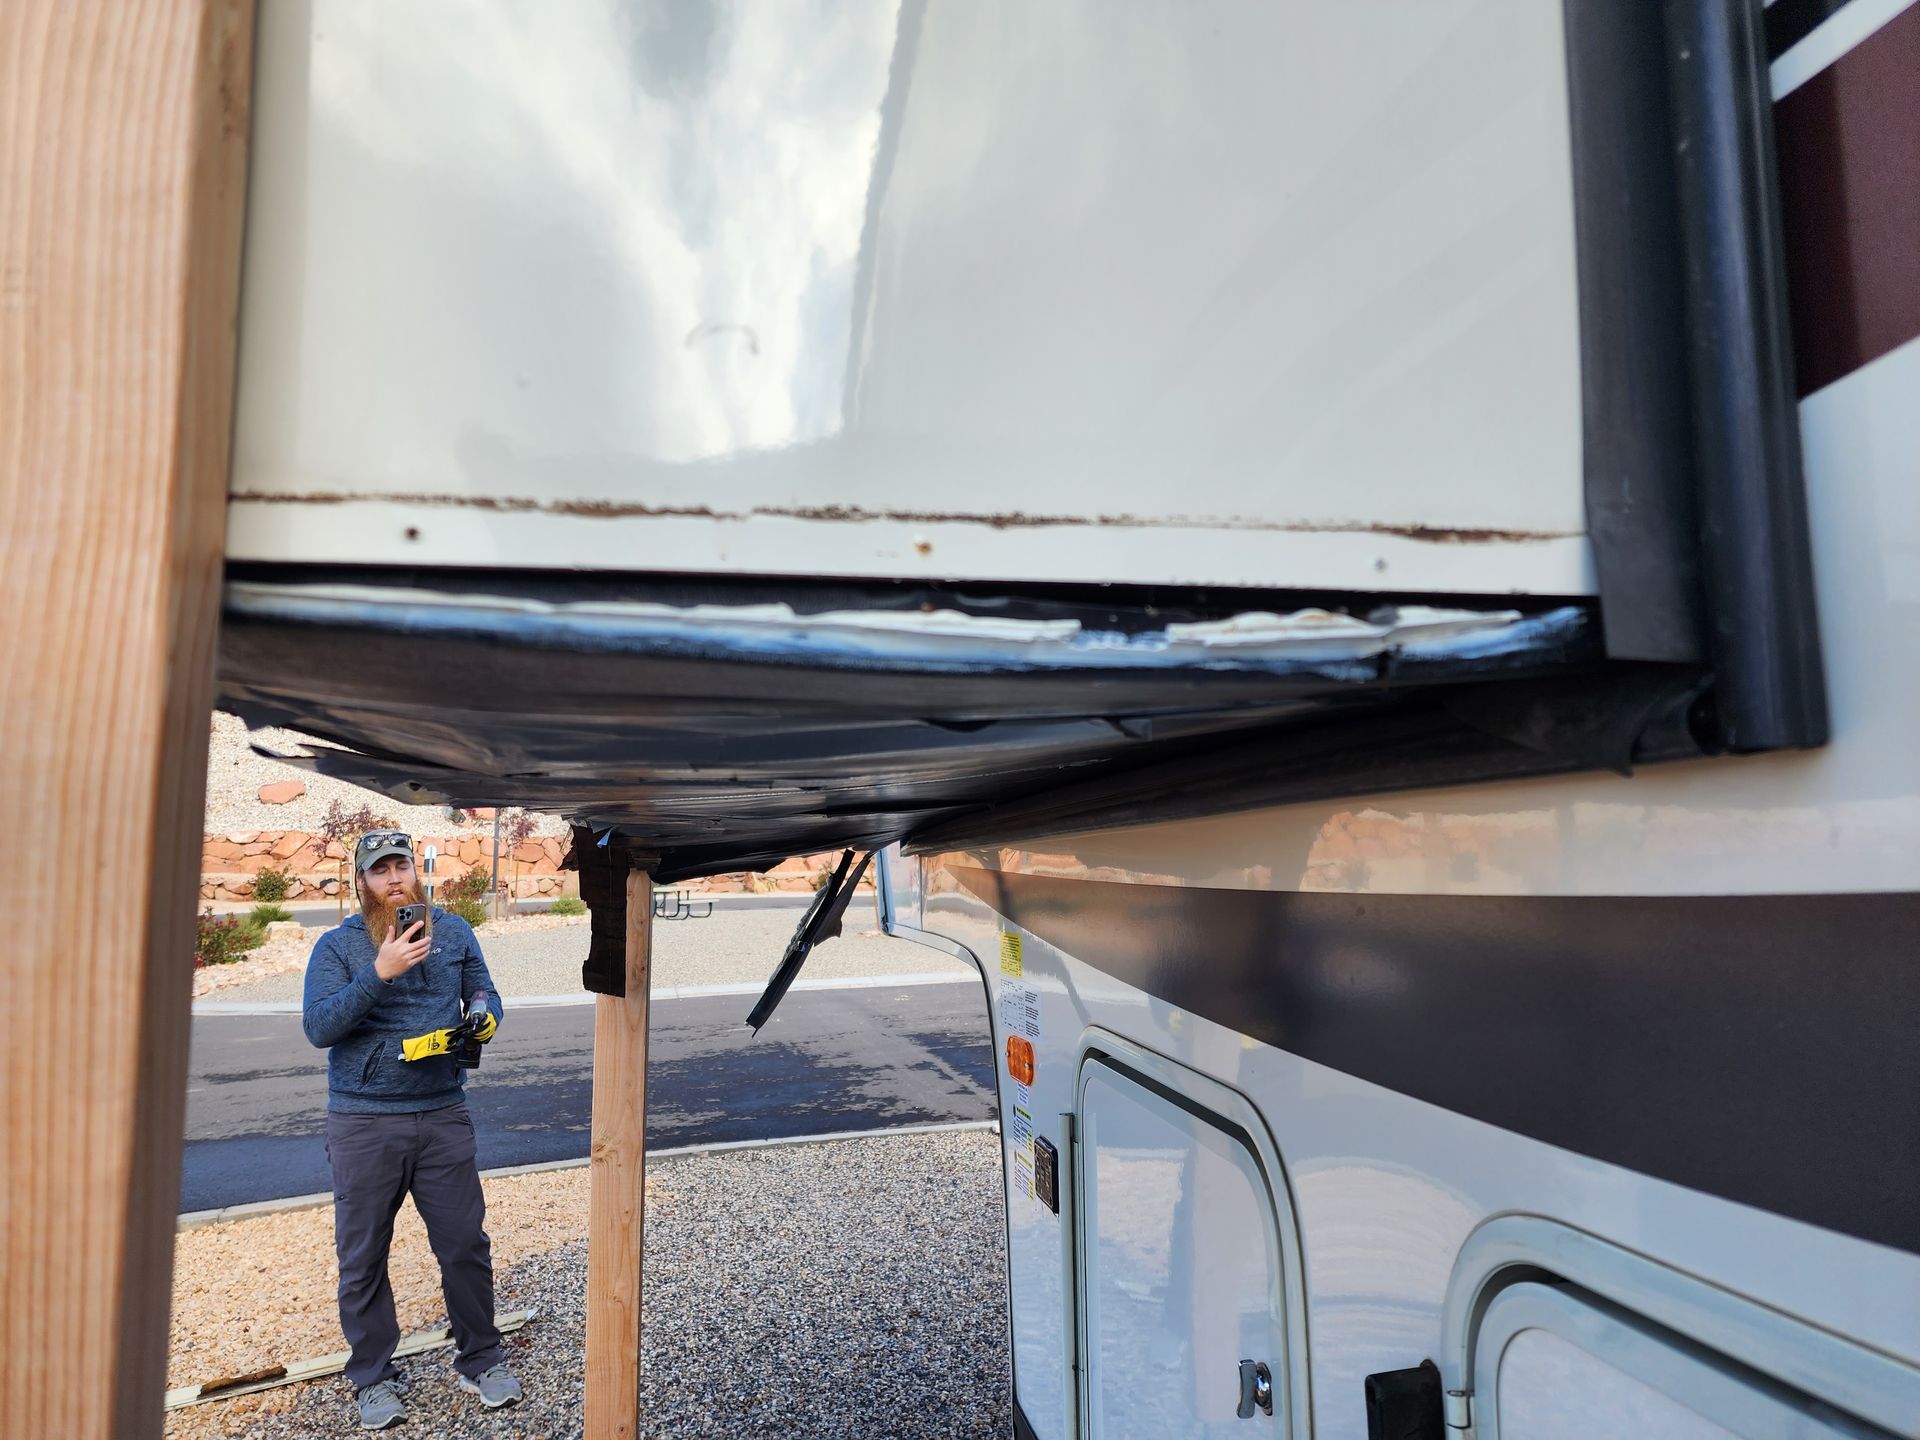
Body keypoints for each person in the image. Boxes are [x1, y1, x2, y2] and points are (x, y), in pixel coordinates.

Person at [302, 829, 521, 1430]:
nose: (394, 878)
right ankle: (373, 1377)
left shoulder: (454, 932)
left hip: (443, 1114)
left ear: (416, 872)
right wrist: (380, 971)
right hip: (363, 1121)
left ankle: (481, 1358)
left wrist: (483, 1015)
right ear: (362, 882)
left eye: (401, 866)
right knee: (364, 1254)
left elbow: (484, 990)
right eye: (380, 871)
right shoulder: (338, 946)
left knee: (465, 1245)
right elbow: (319, 1027)